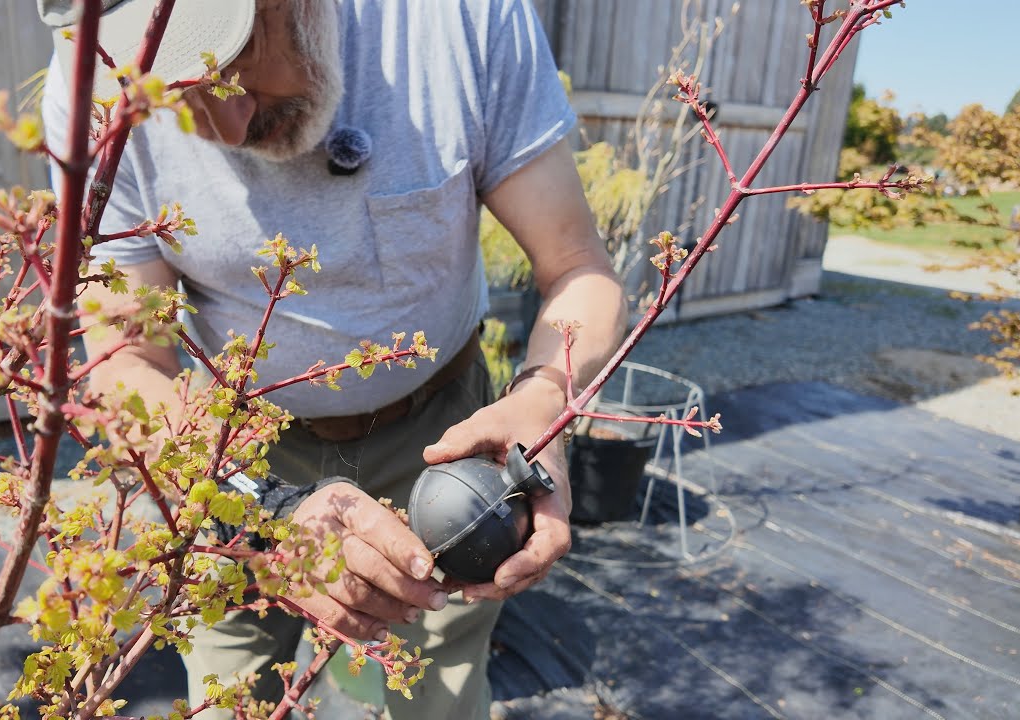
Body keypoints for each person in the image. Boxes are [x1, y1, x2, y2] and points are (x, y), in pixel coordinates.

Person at [38, 0, 627, 717]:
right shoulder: (91, 89)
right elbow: (131, 363)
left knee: (440, 696)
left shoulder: (458, 22)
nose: (226, 127)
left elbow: (576, 266)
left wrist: (543, 400)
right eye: (170, 93)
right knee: (225, 696)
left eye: (231, 64)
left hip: (442, 443)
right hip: (231, 453)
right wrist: (266, 513)